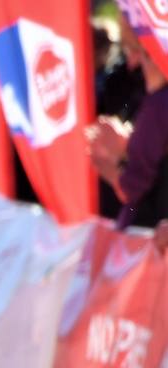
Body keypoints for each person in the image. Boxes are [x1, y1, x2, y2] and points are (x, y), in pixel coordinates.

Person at [89, 21, 168, 231]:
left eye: (141, 52)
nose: (134, 62)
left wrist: (108, 164)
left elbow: (131, 186)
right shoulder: (139, 92)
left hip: (147, 238)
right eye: (128, 49)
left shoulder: (159, 102)